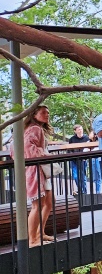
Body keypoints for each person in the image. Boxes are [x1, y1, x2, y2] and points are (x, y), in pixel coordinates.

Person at [24, 105, 56, 246]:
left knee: (49, 203)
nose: (47, 114)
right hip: (34, 170)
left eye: (48, 112)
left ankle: (40, 233)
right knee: (38, 205)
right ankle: (32, 239)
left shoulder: (35, 129)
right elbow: (28, 149)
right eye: (43, 112)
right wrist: (46, 155)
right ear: (34, 114)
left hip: (40, 169)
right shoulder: (34, 129)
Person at [68, 124, 90, 197]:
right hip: (74, 160)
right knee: (75, 176)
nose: (80, 131)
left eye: (81, 129)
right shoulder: (72, 139)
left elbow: (89, 149)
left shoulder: (86, 138)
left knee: (83, 176)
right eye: (79, 129)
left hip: (83, 160)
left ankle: (84, 192)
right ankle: (81, 190)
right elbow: (69, 150)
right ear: (75, 131)